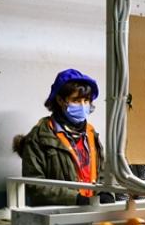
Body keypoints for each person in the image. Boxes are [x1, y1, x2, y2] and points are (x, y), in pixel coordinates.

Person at [13, 69, 110, 206]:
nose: (83, 106)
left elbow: (103, 172)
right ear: (60, 100)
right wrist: (76, 199)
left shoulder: (91, 133)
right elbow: (34, 185)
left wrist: (107, 192)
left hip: (92, 210)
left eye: (86, 100)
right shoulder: (40, 136)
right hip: (60, 214)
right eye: (76, 100)